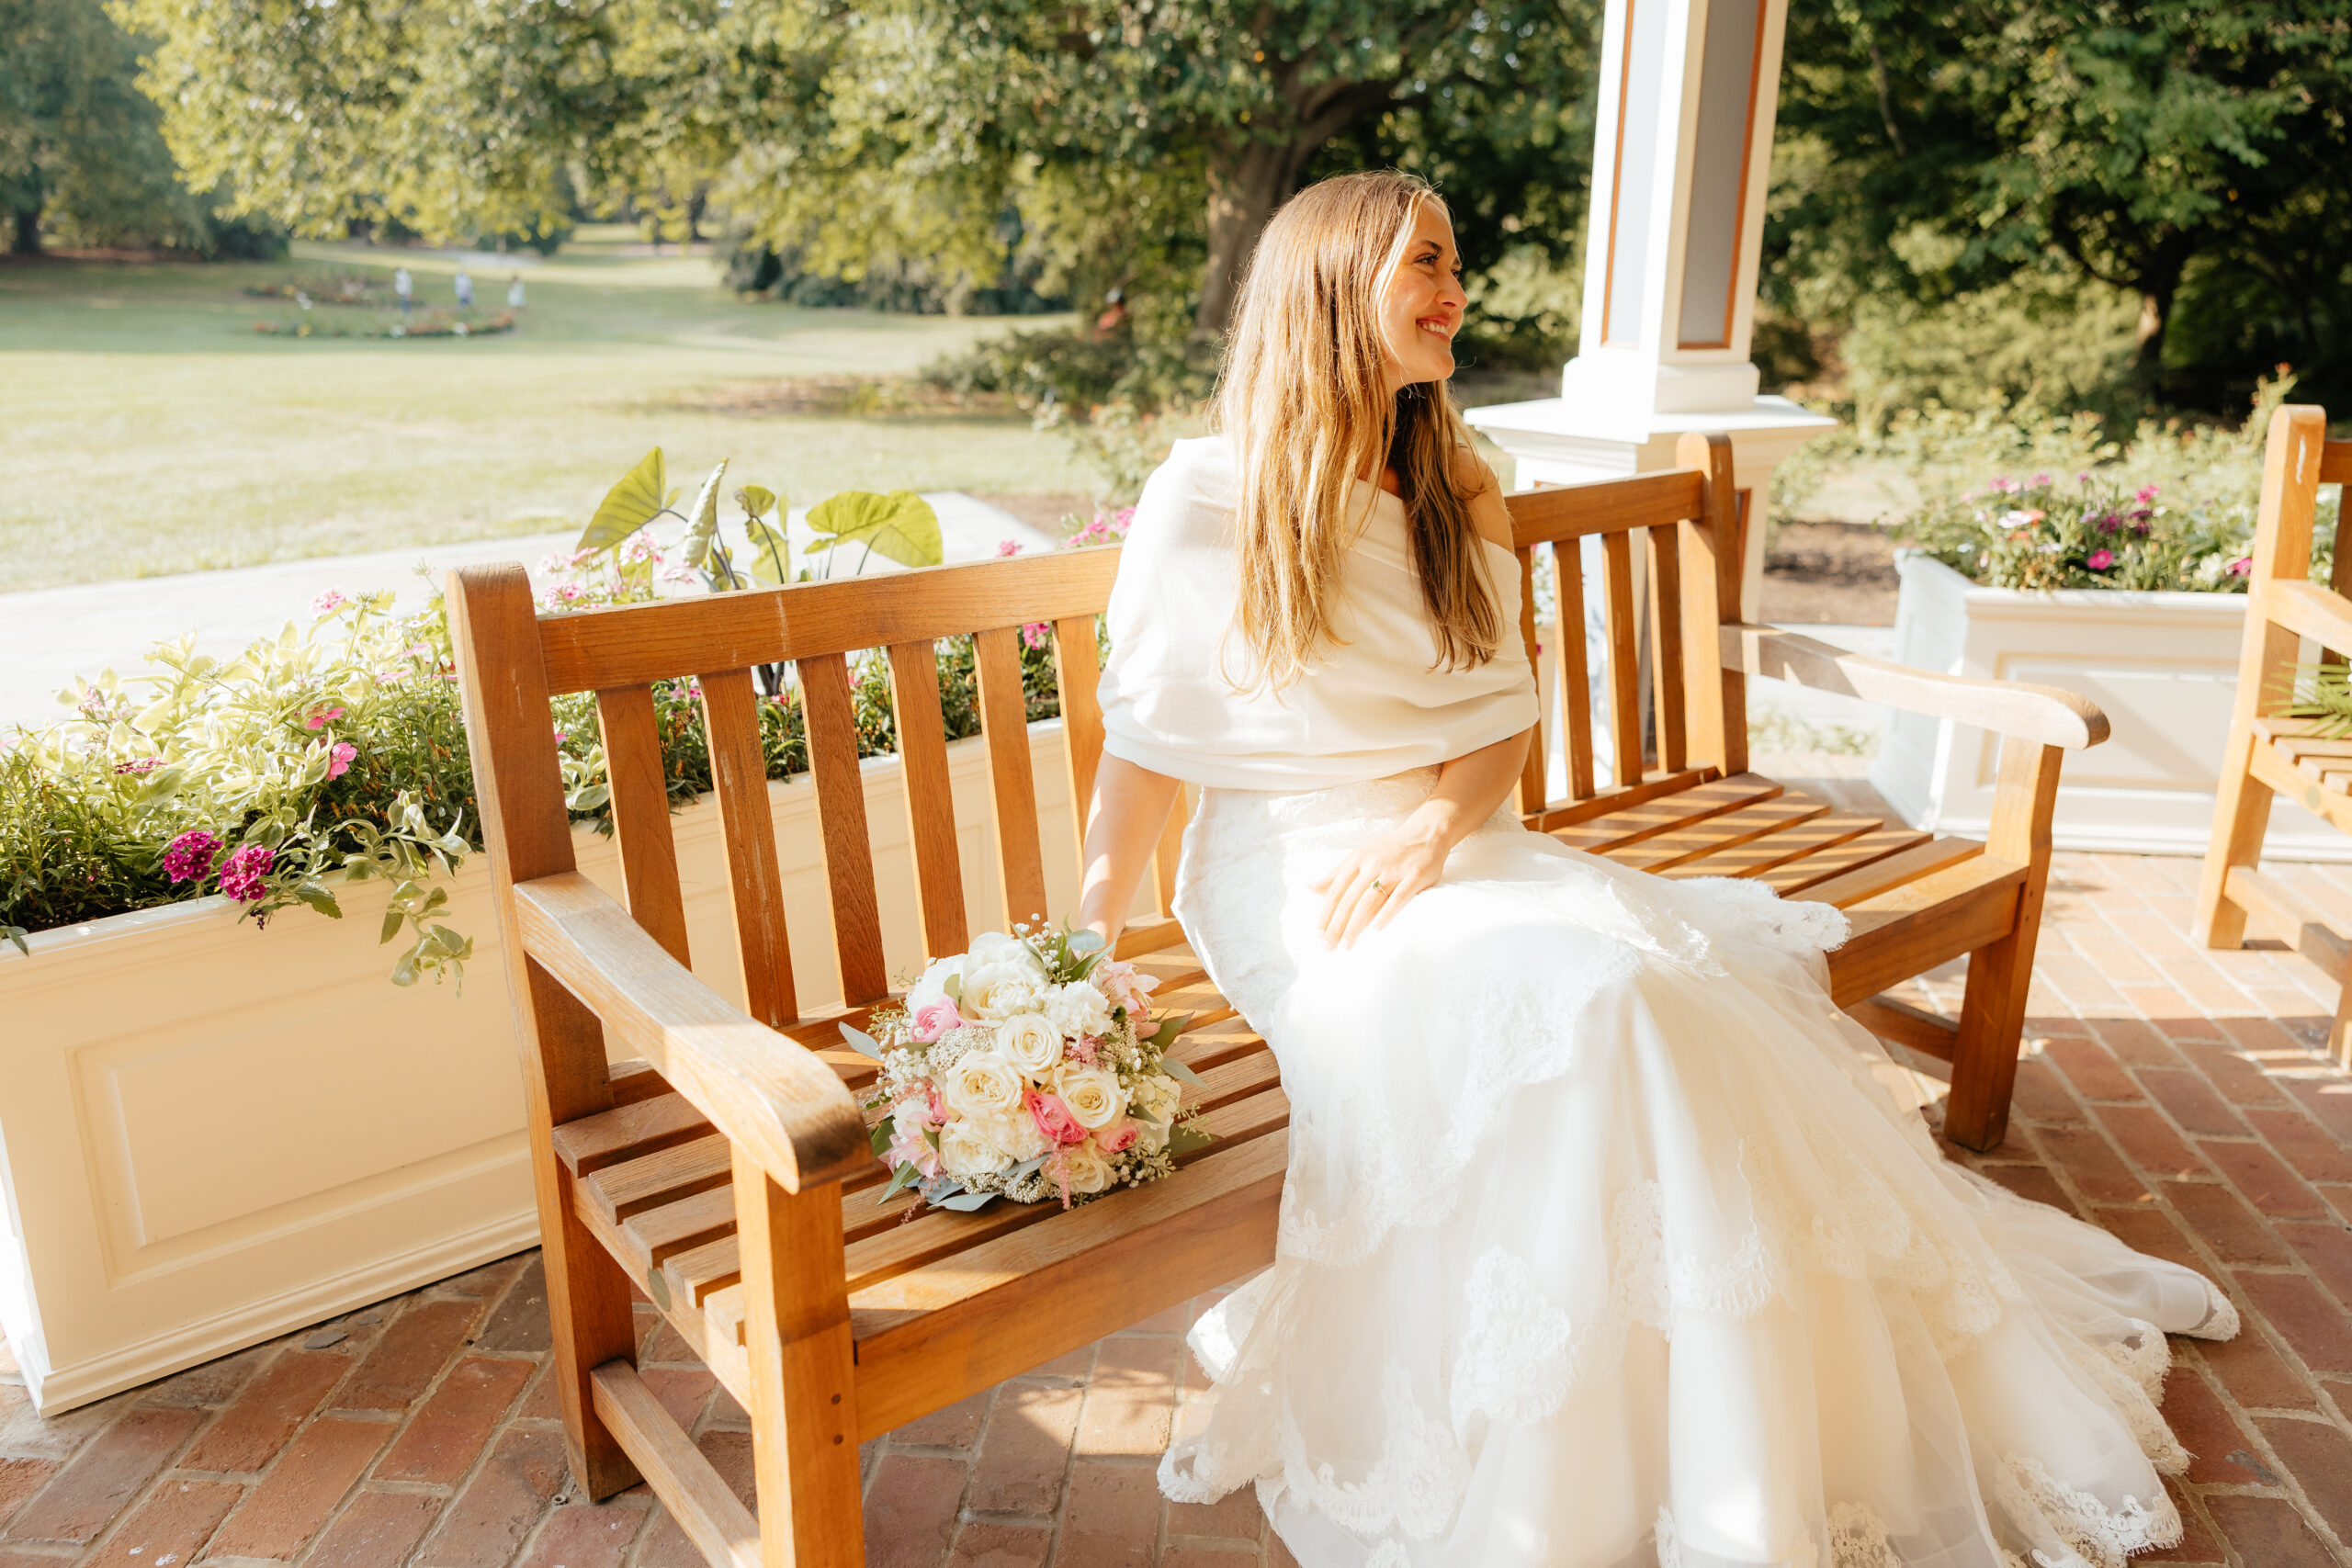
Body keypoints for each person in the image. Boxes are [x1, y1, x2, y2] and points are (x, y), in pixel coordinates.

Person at [1076, 170, 2235, 1568]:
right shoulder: (1208, 495)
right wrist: (1089, 937)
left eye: (1459, 258)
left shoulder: (1455, 478)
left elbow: (1499, 717)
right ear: (1335, 286)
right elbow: (1145, 743)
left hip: (1457, 839)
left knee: (1639, 999)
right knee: (1604, 1004)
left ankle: (1719, 1431)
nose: (1459, 289)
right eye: (1427, 263)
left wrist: (1435, 828)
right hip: (1300, 872)